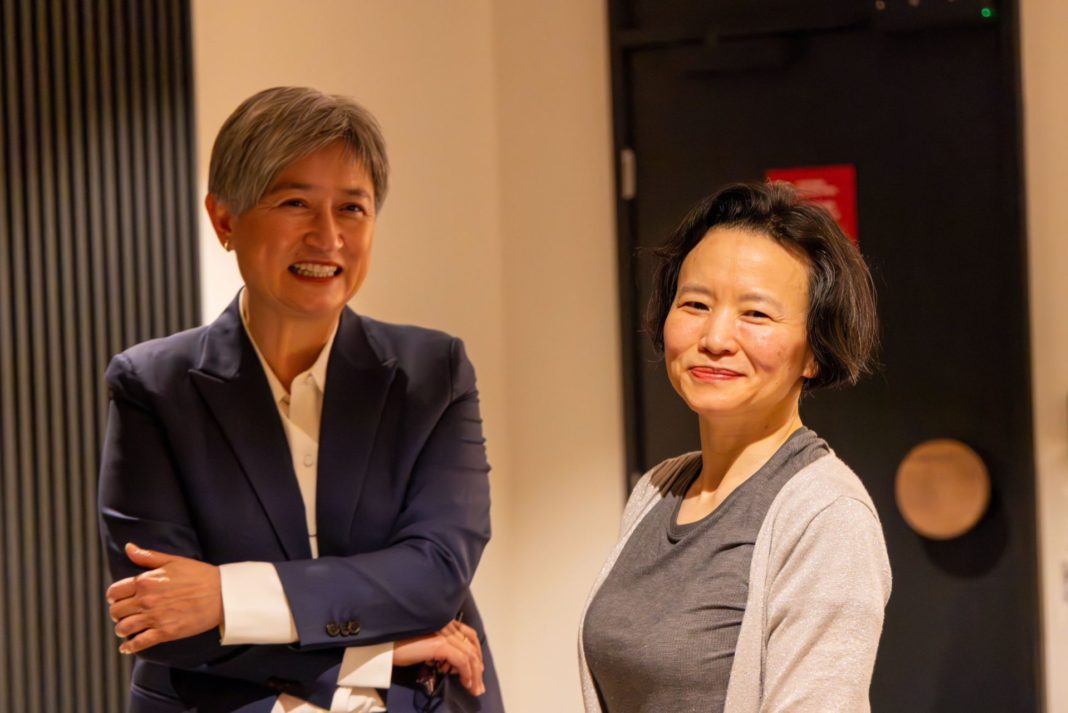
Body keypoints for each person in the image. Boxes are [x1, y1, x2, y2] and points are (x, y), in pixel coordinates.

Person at [99, 86, 504, 713]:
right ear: (224, 220)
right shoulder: (154, 386)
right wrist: (373, 650)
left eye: (352, 208)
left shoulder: (431, 374)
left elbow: (434, 575)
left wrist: (228, 596)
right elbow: (158, 613)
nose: (328, 236)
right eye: (295, 203)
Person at [579, 182, 891, 713]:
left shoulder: (827, 515)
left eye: (756, 314)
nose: (716, 337)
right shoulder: (656, 491)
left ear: (815, 351)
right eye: (695, 303)